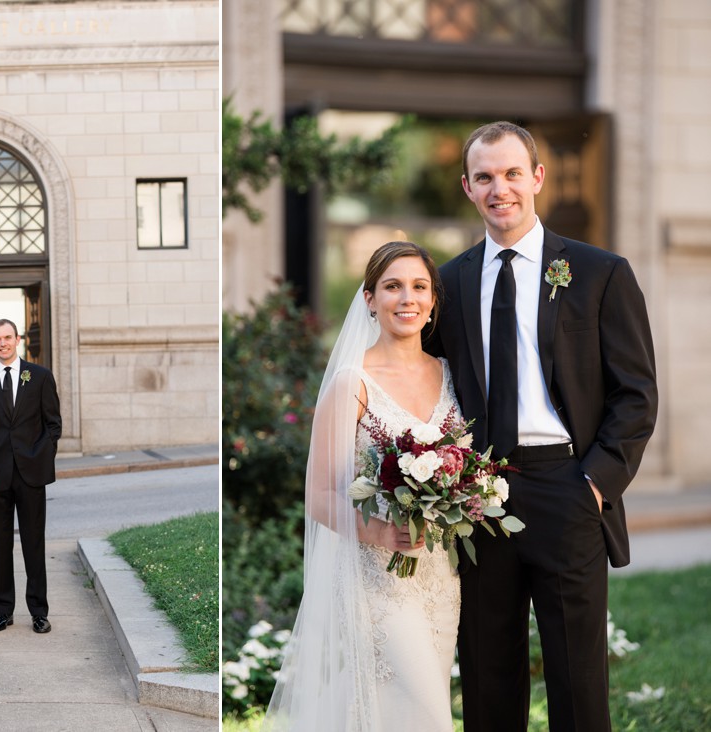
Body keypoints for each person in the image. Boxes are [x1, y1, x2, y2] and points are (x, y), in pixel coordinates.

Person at [430, 121, 658, 730]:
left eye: (511, 173)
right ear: (468, 188)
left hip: (567, 485)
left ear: (536, 177)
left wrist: (596, 482)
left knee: (578, 680)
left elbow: (636, 395)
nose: (499, 188)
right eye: (485, 177)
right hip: (479, 497)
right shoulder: (447, 285)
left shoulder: (599, 271)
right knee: (486, 674)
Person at [264, 241, 460, 731]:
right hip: (378, 579)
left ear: (433, 299)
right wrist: (380, 533)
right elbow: (320, 495)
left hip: (442, 577)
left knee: (404, 703)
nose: (406, 298)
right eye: (392, 286)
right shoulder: (352, 382)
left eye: (418, 286)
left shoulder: (453, 375)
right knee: (423, 710)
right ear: (370, 298)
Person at [0, 318, 62, 634]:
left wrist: (41, 455)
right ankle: (3, 611)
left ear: (18, 339)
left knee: (34, 543)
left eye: (8, 337)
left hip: (31, 473)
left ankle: (38, 611)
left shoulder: (39, 376)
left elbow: (53, 424)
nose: (3, 343)